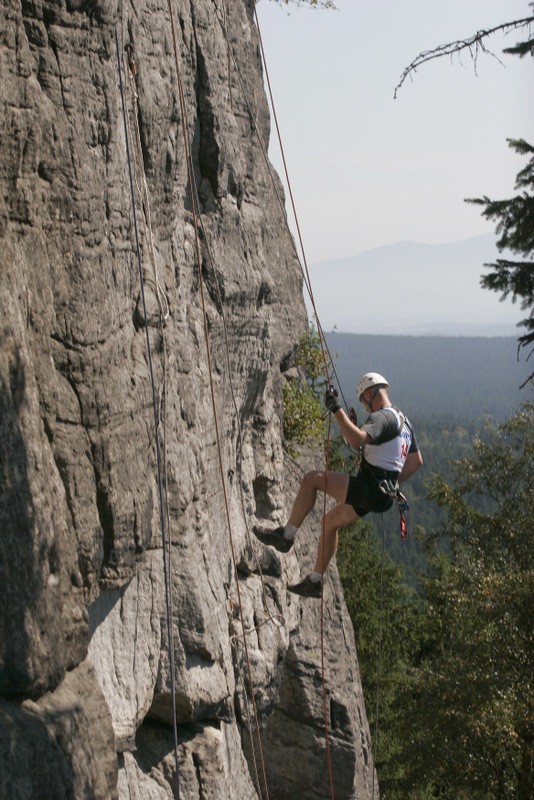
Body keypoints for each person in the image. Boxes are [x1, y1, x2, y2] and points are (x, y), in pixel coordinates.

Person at [256, 372, 423, 598]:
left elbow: (357, 440)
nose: (365, 407)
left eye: (364, 402)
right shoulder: (404, 423)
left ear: (368, 394)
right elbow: (415, 461)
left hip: (369, 488)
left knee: (311, 480)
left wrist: (336, 409)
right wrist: (392, 483)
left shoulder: (382, 417)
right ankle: (315, 581)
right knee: (329, 522)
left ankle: (286, 535)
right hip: (382, 495)